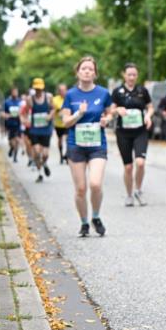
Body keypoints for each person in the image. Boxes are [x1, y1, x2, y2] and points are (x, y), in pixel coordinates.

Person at [61, 56, 115, 237]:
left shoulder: (103, 93)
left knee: (95, 184)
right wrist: (79, 113)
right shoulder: (70, 95)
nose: (87, 71)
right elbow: (66, 122)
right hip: (75, 145)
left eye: (90, 69)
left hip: (97, 145)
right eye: (83, 68)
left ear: (95, 74)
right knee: (81, 189)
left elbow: (110, 113)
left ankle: (96, 217)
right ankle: (84, 223)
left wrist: (107, 119)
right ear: (77, 72)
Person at [111, 63, 153, 205]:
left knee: (140, 163)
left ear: (137, 75)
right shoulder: (117, 91)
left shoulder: (142, 90)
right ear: (124, 75)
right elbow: (110, 110)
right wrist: (117, 110)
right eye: (129, 74)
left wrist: (148, 116)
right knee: (128, 167)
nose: (131, 77)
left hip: (140, 131)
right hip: (123, 133)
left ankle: (138, 190)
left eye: (134, 74)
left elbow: (150, 106)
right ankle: (129, 195)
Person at [25, 78, 54, 182]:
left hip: (46, 129)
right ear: (34, 88)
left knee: (45, 154)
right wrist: (26, 120)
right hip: (35, 129)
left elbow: (53, 109)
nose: (38, 91)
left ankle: (44, 163)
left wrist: (50, 116)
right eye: (37, 88)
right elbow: (27, 111)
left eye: (40, 88)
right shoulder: (30, 99)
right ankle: (40, 173)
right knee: (37, 152)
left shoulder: (49, 97)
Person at [53, 83, 69, 164]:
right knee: (60, 140)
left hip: (67, 123)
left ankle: (67, 154)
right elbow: (53, 110)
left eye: (64, 90)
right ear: (58, 91)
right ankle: (61, 156)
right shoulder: (55, 99)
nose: (63, 92)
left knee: (68, 139)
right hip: (58, 124)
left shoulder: (69, 98)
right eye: (61, 90)